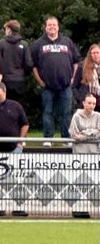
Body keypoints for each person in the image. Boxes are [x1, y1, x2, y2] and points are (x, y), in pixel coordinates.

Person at [30, 16, 81, 147]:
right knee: (48, 112)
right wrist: (40, 81)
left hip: (65, 86)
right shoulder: (38, 44)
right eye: (49, 25)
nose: (52, 27)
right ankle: (48, 138)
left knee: (66, 113)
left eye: (54, 25)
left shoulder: (67, 41)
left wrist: (72, 78)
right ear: (45, 27)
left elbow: (76, 61)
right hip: (47, 86)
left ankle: (66, 138)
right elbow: (33, 65)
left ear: (58, 27)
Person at [0, 20, 33, 106]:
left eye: (5, 29)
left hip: (4, 81)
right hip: (19, 80)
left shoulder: (0, 44)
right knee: (18, 107)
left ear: (9, 29)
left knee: (3, 106)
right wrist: (23, 74)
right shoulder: (24, 44)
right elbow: (29, 64)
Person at [72, 44, 100, 111]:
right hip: (88, 102)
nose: (95, 55)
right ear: (90, 54)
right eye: (93, 53)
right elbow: (74, 86)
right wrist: (80, 98)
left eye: (97, 53)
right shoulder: (82, 67)